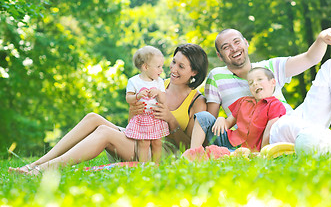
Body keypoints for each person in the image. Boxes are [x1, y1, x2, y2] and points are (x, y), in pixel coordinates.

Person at [9, 43, 208, 175]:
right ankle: (35, 164)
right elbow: (134, 120)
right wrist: (135, 108)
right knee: (93, 118)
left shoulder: (197, 101)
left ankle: (44, 170)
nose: (173, 69)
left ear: (194, 72)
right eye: (173, 62)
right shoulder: (155, 83)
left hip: (162, 153)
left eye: (181, 67)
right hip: (141, 136)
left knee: (104, 132)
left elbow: (193, 148)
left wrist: (171, 120)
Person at [192, 26, 331, 151]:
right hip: (272, 134)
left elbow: (310, 58)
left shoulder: (269, 66)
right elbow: (212, 124)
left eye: (236, 42)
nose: (234, 48)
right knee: (285, 123)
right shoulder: (216, 76)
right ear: (220, 56)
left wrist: (321, 39)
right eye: (226, 47)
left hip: (296, 119)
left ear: (246, 43)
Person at [191, 67, 286, 152]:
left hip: (249, 150)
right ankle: (192, 154)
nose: (255, 83)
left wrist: (263, 154)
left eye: (259, 79)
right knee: (204, 116)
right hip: (228, 140)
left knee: (224, 154)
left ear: (273, 82)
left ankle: (217, 153)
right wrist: (221, 119)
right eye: (251, 83)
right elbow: (228, 123)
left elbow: (269, 131)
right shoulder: (243, 101)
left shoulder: (276, 105)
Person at [124, 46, 169, 163]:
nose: (161, 70)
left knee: (158, 142)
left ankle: (156, 165)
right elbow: (128, 99)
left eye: (162, 67)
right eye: (158, 67)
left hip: (155, 118)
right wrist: (137, 96)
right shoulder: (134, 81)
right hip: (142, 118)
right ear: (145, 67)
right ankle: (144, 165)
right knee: (143, 142)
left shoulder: (159, 82)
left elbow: (163, 100)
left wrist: (159, 93)